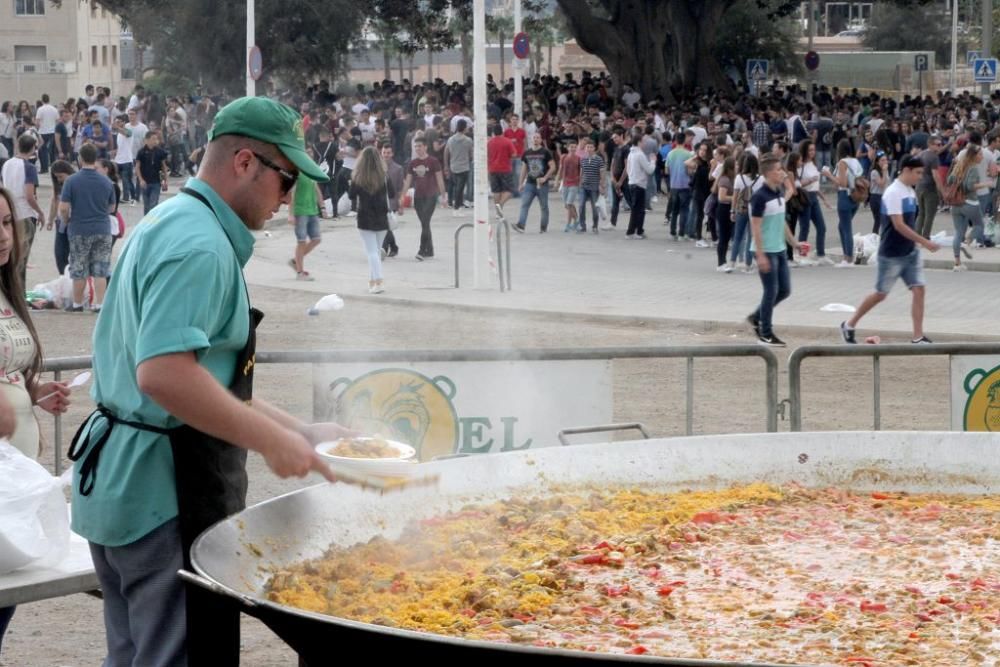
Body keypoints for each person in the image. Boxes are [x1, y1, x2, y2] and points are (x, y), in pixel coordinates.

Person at [68, 96, 343, 667]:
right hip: (164, 494)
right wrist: (272, 443)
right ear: (245, 163)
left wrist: (301, 430)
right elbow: (165, 377)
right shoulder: (200, 245)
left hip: (125, 483)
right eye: (286, 178)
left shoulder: (174, 218)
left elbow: (207, 376)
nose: (290, 197)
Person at [0, 186, 72, 658]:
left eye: (7, 222)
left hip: (13, 481)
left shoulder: (6, 290)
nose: (2, 235)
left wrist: (31, 396)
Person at [840, 155, 941, 344]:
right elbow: (898, 225)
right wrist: (924, 241)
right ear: (906, 170)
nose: (920, 177)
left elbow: (908, 223)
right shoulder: (893, 192)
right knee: (880, 294)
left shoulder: (909, 192)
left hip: (909, 252)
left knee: (919, 289)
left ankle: (918, 336)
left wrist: (917, 242)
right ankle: (849, 324)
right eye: (918, 173)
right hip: (891, 253)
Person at [747, 153, 801, 347]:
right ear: (769, 174)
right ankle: (765, 332)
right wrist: (760, 255)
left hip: (779, 249)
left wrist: (794, 243)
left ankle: (756, 316)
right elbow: (756, 228)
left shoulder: (778, 192)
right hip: (766, 250)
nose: (782, 173)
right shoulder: (759, 197)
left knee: (784, 290)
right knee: (771, 291)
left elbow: (782, 222)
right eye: (779, 170)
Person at [57, 144, 115, 312]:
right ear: (95, 158)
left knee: (79, 267)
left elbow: (63, 207)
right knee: (100, 268)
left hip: (79, 228)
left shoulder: (71, 181)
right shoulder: (106, 181)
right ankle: (99, 304)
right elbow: (111, 208)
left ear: (80, 158)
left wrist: (67, 220)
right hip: (102, 229)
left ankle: (77, 304)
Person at [1, 134, 45, 286]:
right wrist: (40, 212)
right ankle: (20, 292)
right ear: (33, 149)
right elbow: (29, 195)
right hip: (25, 215)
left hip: (11, 213)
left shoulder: (7, 164)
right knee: (22, 258)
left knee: (10, 257)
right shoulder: (29, 167)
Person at [350, 146, 396, 293]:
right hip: (382, 217)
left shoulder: (358, 176)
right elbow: (393, 193)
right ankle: (372, 281)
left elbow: (351, 195)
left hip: (364, 217)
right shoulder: (384, 175)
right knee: (375, 251)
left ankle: (379, 281)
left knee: (372, 252)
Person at [401, 136, 445, 261]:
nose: (417, 149)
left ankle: (422, 250)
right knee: (424, 223)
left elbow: (439, 178)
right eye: (416, 146)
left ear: (425, 147)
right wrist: (402, 197)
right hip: (418, 197)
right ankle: (430, 250)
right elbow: (408, 181)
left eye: (420, 146)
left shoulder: (433, 161)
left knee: (425, 221)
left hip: (431, 195)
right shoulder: (412, 163)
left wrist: (443, 195)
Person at [946, 144, 989, 271]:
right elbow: (970, 186)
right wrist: (985, 184)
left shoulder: (959, 166)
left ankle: (957, 263)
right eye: (980, 154)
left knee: (958, 232)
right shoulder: (973, 168)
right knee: (979, 225)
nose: (982, 156)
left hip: (955, 204)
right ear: (974, 156)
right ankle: (967, 242)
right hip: (970, 202)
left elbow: (949, 180)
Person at [823, 138, 864, 266]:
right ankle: (847, 256)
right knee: (842, 227)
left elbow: (842, 183)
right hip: (856, 197)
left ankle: (848, 258)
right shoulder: (856, 162)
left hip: (844, 196)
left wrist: (828, 174)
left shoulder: (842, 162)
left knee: (845, 228)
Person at [515, 132, 556, 233]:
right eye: (534, 138)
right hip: (529, 183)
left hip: (542, 184)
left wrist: (545, 178)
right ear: (531, 140)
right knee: (524, 204)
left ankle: (543, 227)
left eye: (538, 137)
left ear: (541, 140)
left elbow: (553, 167)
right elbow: (524, 169)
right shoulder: (527, 153)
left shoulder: (545, 152)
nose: (536, 139)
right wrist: (520, 184)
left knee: (544, 206)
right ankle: (521, 225)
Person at [288, 170, 324, 281]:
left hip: (312, 211)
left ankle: (295, 261)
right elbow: (291, 193)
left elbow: (316, 189)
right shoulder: (297, 173)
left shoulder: (311, 172)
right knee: (301, 241)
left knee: (316, 239)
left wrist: (322, 207)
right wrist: (290, 214)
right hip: (300, 212)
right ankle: (300, 272)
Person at [914, 136, 946, 238]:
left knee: (921, 213)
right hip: (930, 188)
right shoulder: (933, 157)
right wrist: (942, 191)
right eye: (937, 144)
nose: (940, 146)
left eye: (941, 144)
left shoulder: (921, 154)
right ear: (930, 144)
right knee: (929, 214)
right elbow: (936, 175)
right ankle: (925, 236)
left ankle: (917, 235)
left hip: (919, 186)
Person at [48, 160, 76, 275]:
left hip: (74, 222)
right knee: (60, 254)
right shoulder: (58, 186)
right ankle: (63, 277)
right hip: (61, 223)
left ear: (68, 172)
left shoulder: (76, 183)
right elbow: (54, 201)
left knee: (74, 254)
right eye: (56, 177)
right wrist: (50, 219)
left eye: (60, 176)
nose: (59, 180)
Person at [625, 134, 655, 239]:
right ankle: (633, 232)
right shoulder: (639, 154)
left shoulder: (631, 153)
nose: (644, 143)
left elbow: (628, 169)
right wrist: (653, 161)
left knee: (636, 208)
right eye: (643, 141)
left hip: (632, 182)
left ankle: (637, 230)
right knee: (638, 209)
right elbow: (650, 170)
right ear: (638, 142)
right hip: (639, 184)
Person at [487, 124, 517, 222]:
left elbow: (486, 155)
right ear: (502, 131)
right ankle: (500, 206)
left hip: (492, 169)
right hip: (505, 169)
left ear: (493, 132)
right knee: (509, 190)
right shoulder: (507, 141)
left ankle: (498, 212)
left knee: (496, 191)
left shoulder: (489, 142)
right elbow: (514, 154)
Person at [135, 130, 169, 214]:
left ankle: (153, 221)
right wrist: (141, 179)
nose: (155, 141)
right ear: (146, 140)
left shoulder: (160, 152)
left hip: (156, 182)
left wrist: (165, 181)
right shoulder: (141, 152)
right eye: (153, 139)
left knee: (153, 204)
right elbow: (137, 167)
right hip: (145, 182)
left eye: (156, 139)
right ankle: (146, 223)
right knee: (146, 205)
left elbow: (164, 167)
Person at [379, 143, 404, 258]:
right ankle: (393, 246)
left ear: (392, 154)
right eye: (384, 152)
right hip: (379, 201)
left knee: (386, 226)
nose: (386, 155)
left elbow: (400, 188)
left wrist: (400, 204)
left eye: (388, 153)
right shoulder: (377, 168)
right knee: (385, 226)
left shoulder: (398, 169)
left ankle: (384, 248)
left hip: (392, 202)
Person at [577, 139, 606, 233]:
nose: (589, 149)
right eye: (587, 147)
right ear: (585, 149)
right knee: (581, 206)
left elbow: (602, 174)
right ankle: (582, 226)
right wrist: (579, 182)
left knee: (594, 207)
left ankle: (595, 226)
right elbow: (581, 172)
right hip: (583, 186)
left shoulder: (599, 159)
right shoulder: (583, 159)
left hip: (594, 187)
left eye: (591, 147)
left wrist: (602, 186)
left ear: (594, 148)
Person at [444, 119, 472, 213]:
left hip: (453, 166)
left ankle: (455, 204)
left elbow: (446, 153)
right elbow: (471, 154)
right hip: (464, 167)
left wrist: (446, 165)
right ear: (464, 128)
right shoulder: (468, 140)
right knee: (460, 187)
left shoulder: (450, 139)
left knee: (456, 186)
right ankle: (457, 207)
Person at [714, 156, 737, 271]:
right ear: (731, 167)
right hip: (724, 209)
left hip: (730, 208)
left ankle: (725, 262)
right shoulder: (725, 179)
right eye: (736, 165)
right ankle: (721, 263)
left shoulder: (734, 178)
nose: (738, 167)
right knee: (723, 237)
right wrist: (735, 198)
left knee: (727, 237)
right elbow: (721, 197)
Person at [556, 137, 581, 232]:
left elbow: (581, 172)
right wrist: (557, 181)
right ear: (567, 147)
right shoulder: (563, 157)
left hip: (574, 183)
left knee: (569, 203)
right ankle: (572, 222)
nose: (573, 149)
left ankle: (575, 221)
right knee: (567, 205)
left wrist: (580, 182)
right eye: (571, 147)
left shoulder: (579, 158)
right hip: (565, 183)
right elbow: (560, 169)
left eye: (575, 147)